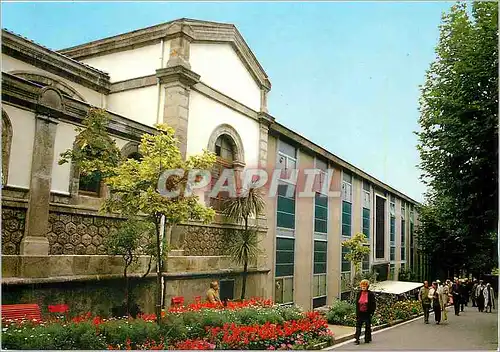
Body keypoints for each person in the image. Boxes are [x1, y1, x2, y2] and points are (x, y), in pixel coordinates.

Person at [354, 279, 376, 345]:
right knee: (358, 326)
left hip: (367, 313)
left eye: (365, 286)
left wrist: (372, 312)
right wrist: (357, 312)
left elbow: (373, 304)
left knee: (367, 326)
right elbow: (357, 304)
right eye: (362, 285)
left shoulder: (370, 294)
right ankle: (357, 339)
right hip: (360, 313)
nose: (363, 287)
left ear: (367, 286)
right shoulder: (359, 293)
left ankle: (367, 339)